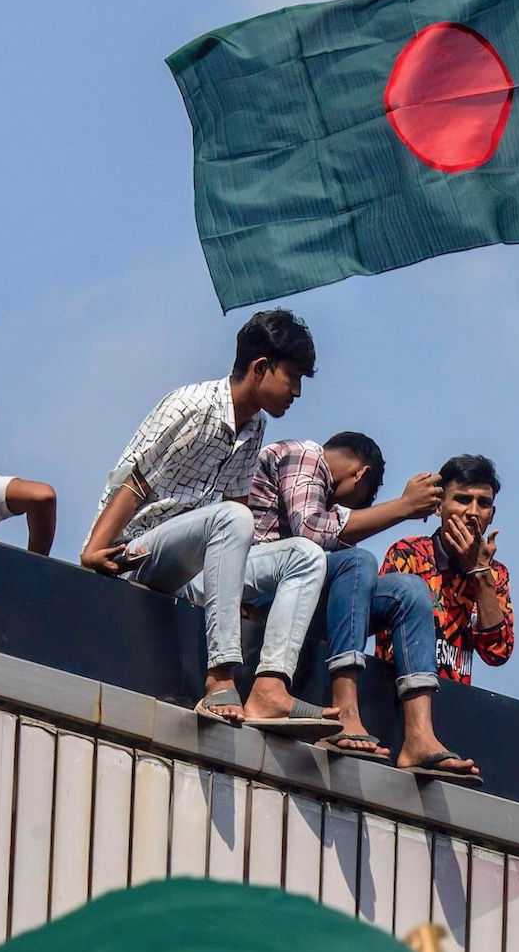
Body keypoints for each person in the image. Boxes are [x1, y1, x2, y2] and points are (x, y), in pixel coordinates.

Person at [80, 309, 337, 737]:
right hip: (138, 555)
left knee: (306, 556)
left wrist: (235, 588)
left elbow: (236, 507)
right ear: (260, 368)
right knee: (233, 518)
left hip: (194, 566)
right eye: (292, 377)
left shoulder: (252, 425)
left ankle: (270, 690)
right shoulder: (193, 406)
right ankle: (220, 681)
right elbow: (136, 480)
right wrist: (93, 549)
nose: (296, 391)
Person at [247, 430, 483, 782]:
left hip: (298, 605)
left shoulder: (325, 498)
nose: (355, 513)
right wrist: (402, 508)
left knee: (408, 589)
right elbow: (310, 532)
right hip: (258, 591)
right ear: (360, 474)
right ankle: (345, 710)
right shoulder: (304, 455)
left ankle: (418, 737)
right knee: (358, 561)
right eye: (364, 501)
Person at [380, 454, 515, 687]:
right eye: (463, 499)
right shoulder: (409, 554)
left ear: (491, 515)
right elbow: (386, 635)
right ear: (438, 506)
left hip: (455, 704)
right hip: (395, 695)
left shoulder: (496, 574)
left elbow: (498, 653)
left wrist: (480, 574)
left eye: (483, 503)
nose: (473, 512)